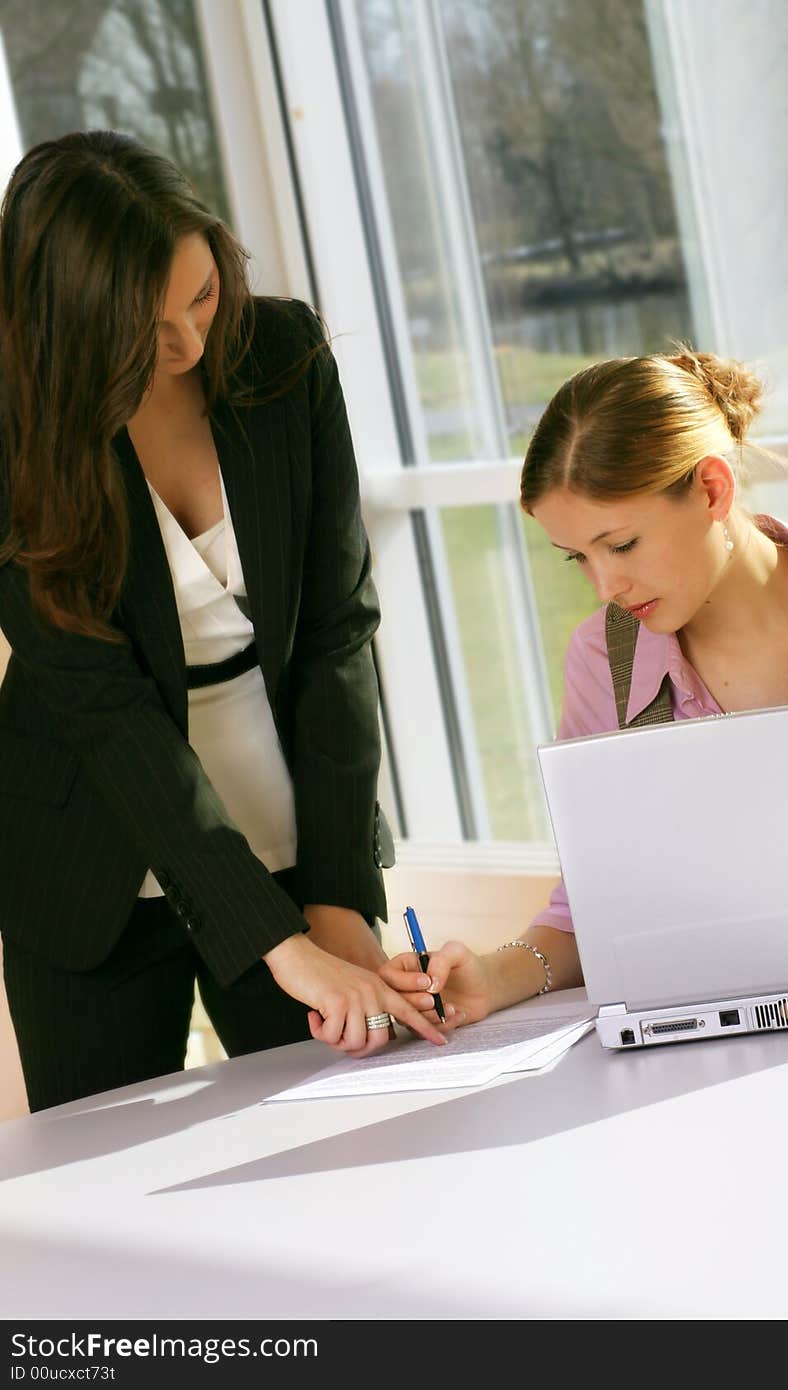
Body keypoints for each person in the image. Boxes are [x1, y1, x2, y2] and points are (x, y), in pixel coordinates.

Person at [0, 130, 447, 1112]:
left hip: (295, 823)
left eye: (199, 296)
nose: (189, 347)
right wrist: (275, 943)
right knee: (104, 1192)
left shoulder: (286, 356)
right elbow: (108, 713)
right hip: (87, 853)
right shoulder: (16, 432)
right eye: (144, 329)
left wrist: (332, 892)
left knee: (352, 1149)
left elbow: (337, 630)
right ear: (67, 325)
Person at [380, 348, 788, 1025]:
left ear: (712, 490)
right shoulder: (602, 659)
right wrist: (490, 979)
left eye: (620, 545)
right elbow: (596, 903)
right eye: (577, 558)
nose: (605, 586)